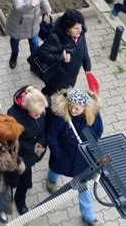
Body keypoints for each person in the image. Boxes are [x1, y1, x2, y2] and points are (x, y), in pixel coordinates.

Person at [46, 88, 103, 226]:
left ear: (85, 107)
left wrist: (90, 147)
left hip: (82, 158)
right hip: (63, 154)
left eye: (77, 108)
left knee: (82, 187)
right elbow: (51, 136)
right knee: (55, 168)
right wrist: (57, 153)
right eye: (70, 106)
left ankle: (88, 217)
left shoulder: (93, 116)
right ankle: (51, 180)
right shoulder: (60, 116)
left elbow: (99, 131)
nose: (72, 110)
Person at [7, 86, 48, 215]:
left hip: (35, 149)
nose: (39, 115)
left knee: (28, 170)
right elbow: (13, 139)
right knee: (23, 178)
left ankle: (26, 180)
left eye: (41, 113)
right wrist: (32, 147)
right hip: (22, 154)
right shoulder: (13, 116)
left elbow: (44, 128)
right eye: (36, 114)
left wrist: (40, 142)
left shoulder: (39, 107)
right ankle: (20, 200)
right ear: (26, 109)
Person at [5, 0, 52, 69]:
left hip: (33, 21)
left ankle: (34, 61)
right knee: (15, 40)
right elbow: (19, 7)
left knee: (35, 42)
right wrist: (30, 4)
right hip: (19, 22)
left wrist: (47, 8)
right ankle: (14, 55)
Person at [36, 9, 92, 96]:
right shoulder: (56, 38)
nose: (79, 30)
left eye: (80, 27)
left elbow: (84, 51)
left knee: (66, 92)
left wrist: (87, 68)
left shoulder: (81, 35)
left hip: (72, 74)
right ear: (67, 28)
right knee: (53, 94)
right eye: (75, 28)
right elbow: (42, 54)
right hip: (58, 77)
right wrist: (61, 57)